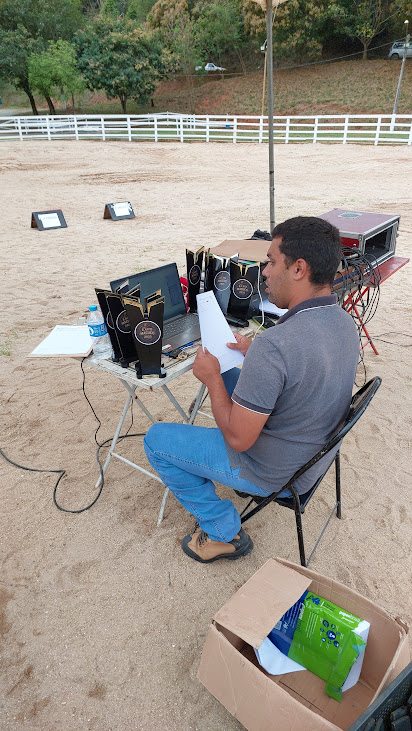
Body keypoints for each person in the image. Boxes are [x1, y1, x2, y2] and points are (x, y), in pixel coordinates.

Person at [144, 216, 360, 564]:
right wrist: (252, 352)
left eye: (272, 262)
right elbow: (304, 367)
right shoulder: (343, 321)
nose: (265, 272)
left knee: (156, 440)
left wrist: (213, 380)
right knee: (232, 374)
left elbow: (239, 440)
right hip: (312, 453)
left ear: (299, 269)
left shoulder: (276, 345)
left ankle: (223, 532)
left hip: (273, 470)